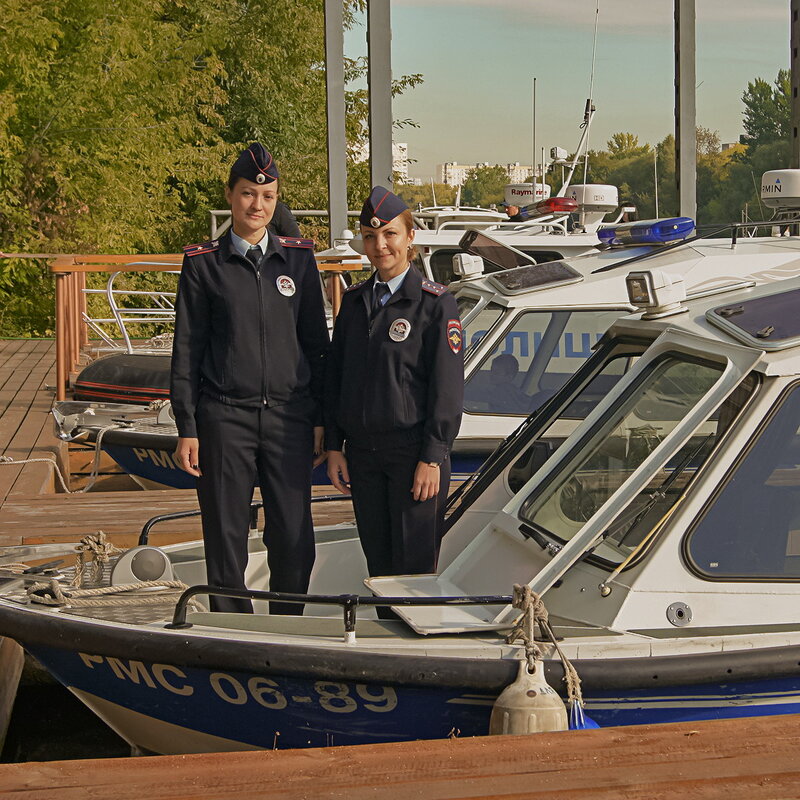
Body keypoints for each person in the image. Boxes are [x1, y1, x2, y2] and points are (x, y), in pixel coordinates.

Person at [170, 142, 329, 615]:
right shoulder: (204, 264)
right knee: (225, 540)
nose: (257, 205)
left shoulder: (298, 260)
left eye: (268, 196)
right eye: (247, 194)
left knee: (294, 540)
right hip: (225, 418)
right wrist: (187, 425)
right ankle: (234, 632)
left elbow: (317, 347)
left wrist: (322, 417)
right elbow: (188, 349)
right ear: (231, 195)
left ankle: (286, 629)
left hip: (289, 419)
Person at [325, 186, 464, 591]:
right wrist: (335, 445)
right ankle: (385, 640)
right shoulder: (353, 303)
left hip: (413, 458)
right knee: (379, 568)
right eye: (371, 237)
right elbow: (337, 379)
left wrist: (433, 457)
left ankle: (415, 652)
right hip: (365, 458)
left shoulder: (434, 305)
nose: (380, 245)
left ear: (409, 239)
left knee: (415, 571)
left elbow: (447, 388)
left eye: (389, 234)